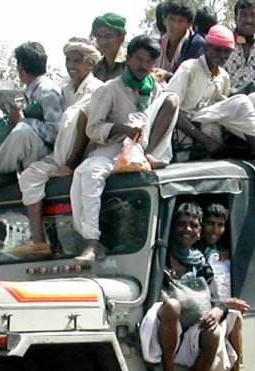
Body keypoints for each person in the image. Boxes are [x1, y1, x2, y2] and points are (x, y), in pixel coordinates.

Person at [70, 35, 180, 265]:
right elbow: (93, 129)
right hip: (112, 147)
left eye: (149, 61)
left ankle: (151, 156)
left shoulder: (156, 91)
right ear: (128, 59)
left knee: (173, 99)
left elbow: (165, 110)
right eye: (139, 59)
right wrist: (120, 128)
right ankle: (91, 241)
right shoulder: (109, 90)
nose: (144, 66)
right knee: (87, 173)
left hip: (142, 149)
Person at [138, 203, 238, 371]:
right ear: (173, 228)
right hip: (162, 328)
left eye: (193, 225)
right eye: (182, 224)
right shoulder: (160, 256)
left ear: (199, 232)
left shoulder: (201, 262)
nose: (187, 229)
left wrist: (216, 310)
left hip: (192, 329)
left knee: (212, 331)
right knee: (172, 305)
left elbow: (216, 300)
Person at [165, 25, 255, 188]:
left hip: (211, 120)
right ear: (207, 48)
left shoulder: (222, 75)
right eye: (217, 50)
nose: (222, 56)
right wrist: (205, 140)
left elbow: (223, 103)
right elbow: (169, 107)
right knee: (242, 102)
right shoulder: (190, 68)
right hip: (190, 123)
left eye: (226, 52)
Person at [11, 38, 105, 258]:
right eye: (68, 60)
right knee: (28, 178)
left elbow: (87, 128)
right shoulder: (63, 88)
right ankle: (39, 241)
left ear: (90, 63)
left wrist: (73, 162)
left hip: (87, 153)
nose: (72, 65)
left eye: (78, 61)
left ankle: (89, 243)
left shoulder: (97, 90)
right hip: (61, 154)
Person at [0, 42, 64, 178]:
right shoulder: (29, 90)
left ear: (21, 68)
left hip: (47, 153)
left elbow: (55, 134)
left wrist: (22, 120)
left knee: (22, 130)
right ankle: (2, 171)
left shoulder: (48, 91)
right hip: (30, 145)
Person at [198, 203, 248, 371]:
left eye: (220, 225)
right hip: (210, 305)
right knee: (215, 343)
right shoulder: (197, 252)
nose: (215, 230)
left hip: (231, 305)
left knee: (236, 329)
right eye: (211, 224)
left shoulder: (229, 250)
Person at [156, 1, 205, 75]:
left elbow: (193, 79)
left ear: (189, 24)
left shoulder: (196, 45)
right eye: (172, 19)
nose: (175, 26)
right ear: (164, 20)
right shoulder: (158, 45)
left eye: (181, 21)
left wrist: (166, 76)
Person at [91, 13, 127, 82]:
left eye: (108, 36)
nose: (103, 42)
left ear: (121, 38)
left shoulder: (131, 63)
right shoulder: (96, 68)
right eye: (99, 36)